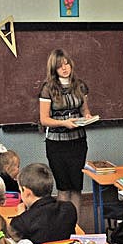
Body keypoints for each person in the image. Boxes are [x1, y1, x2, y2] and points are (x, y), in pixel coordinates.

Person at [38, 49, 93, 215]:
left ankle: (75, 225)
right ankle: (63, 224)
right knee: (63, 188)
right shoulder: (48, 88)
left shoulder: (80, 86)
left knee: (76, 187)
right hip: (57, 145)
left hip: (77, 142)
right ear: (53, 68)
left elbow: (85, 110)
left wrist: (87, 116)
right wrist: (64, 123)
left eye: (66, 64)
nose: (64, 68)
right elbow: (44, 119)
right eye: (60, 66)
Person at [9, 163, 77, 244]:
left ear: (27, 192)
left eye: (20, 191)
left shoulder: (20, 222)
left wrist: (20, 216)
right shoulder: (69, 208)